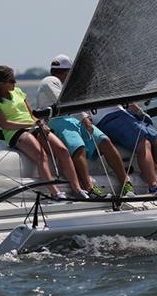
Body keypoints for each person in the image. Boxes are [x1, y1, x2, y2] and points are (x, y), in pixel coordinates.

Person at [0, 65, 88, 200]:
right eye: (12, 80)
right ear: (1, 84)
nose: (15, 82)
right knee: (41, 156)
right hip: (16, 132)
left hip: (34, 126)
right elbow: (5, 124)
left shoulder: (18, 92)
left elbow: (31, 114)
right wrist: (31, 124)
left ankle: (77, 189)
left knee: (62, 150)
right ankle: (55, 193)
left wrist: (40, 123)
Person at [37, 55, 134, 197]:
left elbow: (77, 104)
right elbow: (64, 102)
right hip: (58, 120)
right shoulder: (50, 81)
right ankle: (89, 188)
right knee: (78, 147)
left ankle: (126, 183)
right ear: (68, 72)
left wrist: (86, 116)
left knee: (105, 141)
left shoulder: (66, 86)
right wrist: (84, 117)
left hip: (74, 119)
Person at [91, 103, 157, 194]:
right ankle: (154, 185)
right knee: (143, 142)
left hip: (122, 114)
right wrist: (137, 110)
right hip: (106, 119)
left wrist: (138, 112)